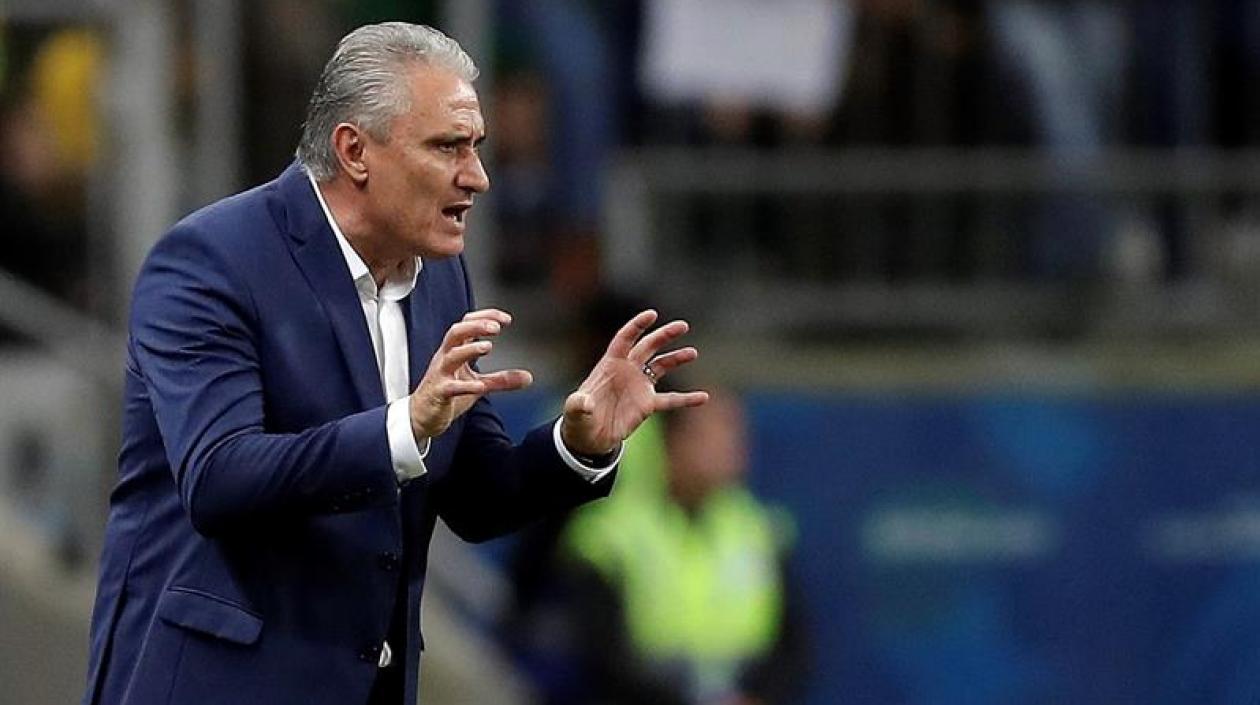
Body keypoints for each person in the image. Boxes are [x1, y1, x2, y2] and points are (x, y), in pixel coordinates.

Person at [81, 22, 707, 705]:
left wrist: (575, 444)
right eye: (449, 147)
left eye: (478, 147)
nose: (479, 176)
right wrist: (403, 426)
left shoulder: (439, 275)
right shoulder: (211, 263)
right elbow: (219, 477)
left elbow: (474, 491)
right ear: (354, 150)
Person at [560, 385, 808, 705]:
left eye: (736, 433)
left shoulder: (760, 530)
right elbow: (598, 655)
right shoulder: (609, 536)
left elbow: (794, 644)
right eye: (714, 434)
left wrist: (758, 696)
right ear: (673, 442)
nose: (732, 447)